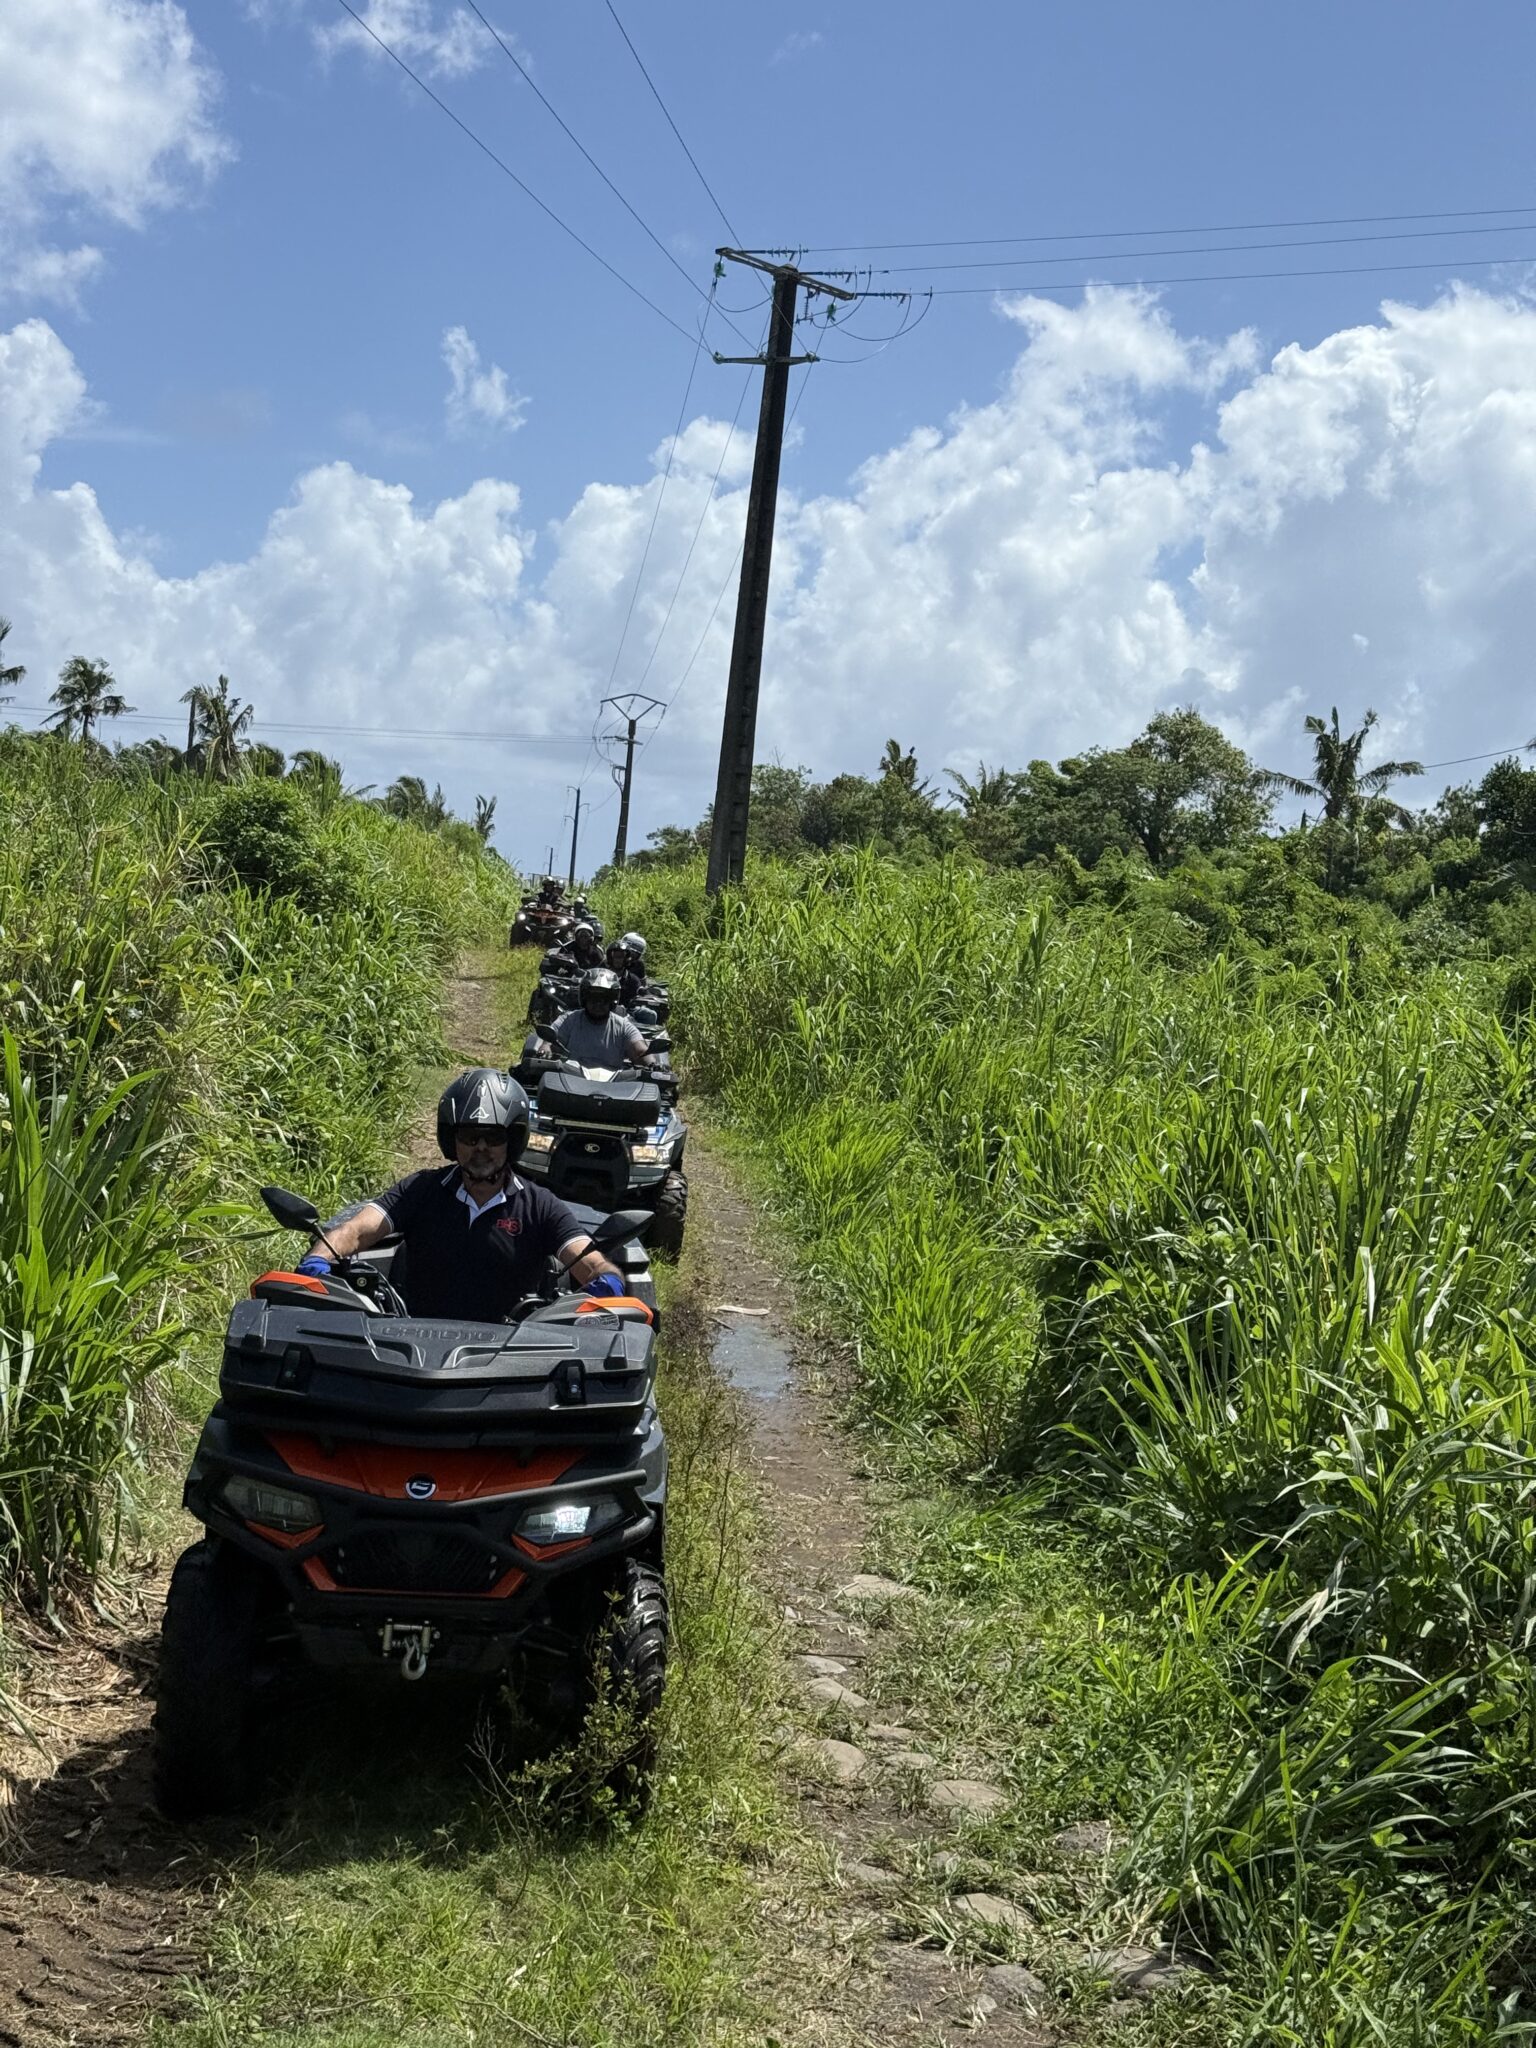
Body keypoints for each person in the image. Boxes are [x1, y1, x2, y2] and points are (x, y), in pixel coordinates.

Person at [297, 1069, 626, 1320]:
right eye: (469, 1136)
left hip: (514, 1356)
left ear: (512, 1141)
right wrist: (319, 1258)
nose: (481, 1148)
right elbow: (356, 1230)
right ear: (451, 1140)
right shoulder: (421, 1189)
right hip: (412, 1347)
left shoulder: (540, 1206)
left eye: (493, 1137)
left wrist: (607, 1279)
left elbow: (587, 1260)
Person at [552, 966, 652, 1070]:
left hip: (613, 1079)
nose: (598, 1004)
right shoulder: (568, 1020)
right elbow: (550, 1042)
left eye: (604, 999)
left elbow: (640, 1051)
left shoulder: (624, 1027)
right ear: (584, 998)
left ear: (613, 1001)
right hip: (570, 1076)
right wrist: (545, 1051)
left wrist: (653, 1065)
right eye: (593, 998)